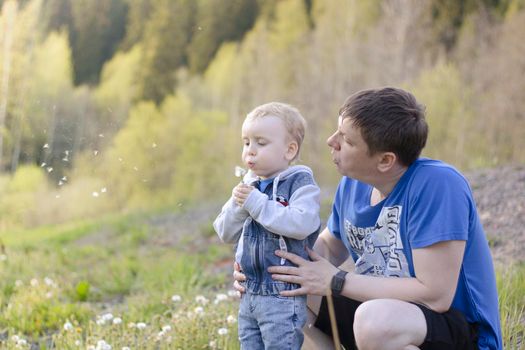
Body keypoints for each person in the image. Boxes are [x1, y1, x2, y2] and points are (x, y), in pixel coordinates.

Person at [234, 88, 502, 350]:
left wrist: (336, 280)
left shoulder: (438, 185)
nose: (331, 141)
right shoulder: (353, 185)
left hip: (454, 330)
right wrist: (266, 269)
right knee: (285, 293)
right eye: (337, 131)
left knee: (374, 321)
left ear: (385, 160)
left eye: (347, 140)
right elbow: (327, 248)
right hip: (378, 315)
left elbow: (435, 295)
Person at [214, 102, 321, 349]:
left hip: (281, 295)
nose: (250, 151)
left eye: (261, 143)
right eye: (246, 142)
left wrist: (257, 203)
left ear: (289, 150)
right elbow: (225, 232)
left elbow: (302, 223)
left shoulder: (300, 183)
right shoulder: (249, 185)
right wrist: (239, 206)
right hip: (249, 291)